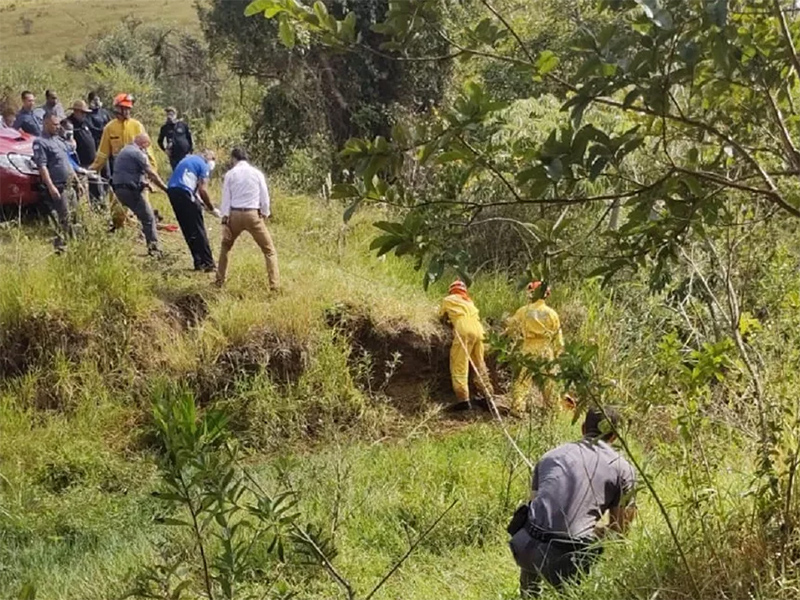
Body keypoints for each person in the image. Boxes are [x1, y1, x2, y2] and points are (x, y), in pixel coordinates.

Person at [509, 406, 637, 597]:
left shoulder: (551, 456)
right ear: (614, 437)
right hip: (565, 556)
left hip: (524, 547)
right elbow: (620, 531)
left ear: (583, 428)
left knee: (532, 587)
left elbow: (538, 509)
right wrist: (598, 531)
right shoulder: (622, 468)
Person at [216, 147, 280, 290]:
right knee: (269, 250)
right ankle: (274, 285)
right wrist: (265, 212)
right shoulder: (257, 174)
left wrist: (225, 220)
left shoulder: (230, 174)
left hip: (235, 214)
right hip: (252, 214)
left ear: (234, 159)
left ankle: (220, 280)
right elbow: (264, 196)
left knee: (226, 247)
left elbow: (226, 198)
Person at [90, 93, 157, 228]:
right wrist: (92, 170)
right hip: (119, 174)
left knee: (144, 208)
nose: (127, 111)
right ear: (117, 109)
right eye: (124, 108)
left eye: (128, 109)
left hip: (138, 174)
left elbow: (148, 151)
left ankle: (143, 233)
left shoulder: (137, 126)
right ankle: (118, 230)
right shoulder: (109, 128)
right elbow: (102, 154)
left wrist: (152, 173)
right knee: (117, 208)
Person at [506, 281, 564, 413]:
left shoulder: (523, 311)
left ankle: (518, 408)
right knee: (549, 381)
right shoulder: (552, 313)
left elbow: (511, 327)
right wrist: (558, 353)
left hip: (528, 348)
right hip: (545, 349)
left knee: (522, 380)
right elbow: (558, 336)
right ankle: (555, 410)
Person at [438, 280, 493, 409]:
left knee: (459, 362)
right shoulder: (470, 302)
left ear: (451, 290)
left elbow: (441, 316)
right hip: (479, 330)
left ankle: (463, 400)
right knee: (479, 363)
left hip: (464, 328)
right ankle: (487, 397)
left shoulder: (448, 299)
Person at [111, 134, 169, 256]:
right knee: (148, 218)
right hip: (129, 190)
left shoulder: (125, 150)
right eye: (146, 147)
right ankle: (154, 250)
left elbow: (129, 172)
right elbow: (152, 173)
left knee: (140, 216)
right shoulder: (138, 153)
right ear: (144, 144)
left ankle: (142, 240)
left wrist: (145, 184)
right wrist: (165, 189)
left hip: (120, 189)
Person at [167, 150, 220, 271]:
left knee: (187, 228)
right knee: (198, 228)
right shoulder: (203, 164)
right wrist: (212, 209)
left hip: (173, 192)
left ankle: (198, 262)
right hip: (184, 192)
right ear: (208, 158)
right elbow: (203, 190)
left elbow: (193, 190)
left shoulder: (188, 160)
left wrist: (202, 204)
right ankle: (208, 263)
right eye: (213, 159)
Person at [32, 113, 75, 250]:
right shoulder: (40, 142)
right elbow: (42, 166)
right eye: (54, 125)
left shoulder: (59, 141)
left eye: (58, 124)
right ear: (45, 124)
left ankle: (73, 244)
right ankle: (60, 247)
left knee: (74, 216)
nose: (58, 127)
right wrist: (51, 186)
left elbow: (67, 161)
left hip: (70, 185)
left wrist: (77, 182)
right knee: (64, 217)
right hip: (58, 186)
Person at [66, 100, 102, 206]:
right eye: (82, 112)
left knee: (96, 188)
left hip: (92, 163)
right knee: (79, 190)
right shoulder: (69, 124)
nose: (84, 115)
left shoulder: (85, 123)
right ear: (76, 111)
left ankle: (98, 209)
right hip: (79, 165)